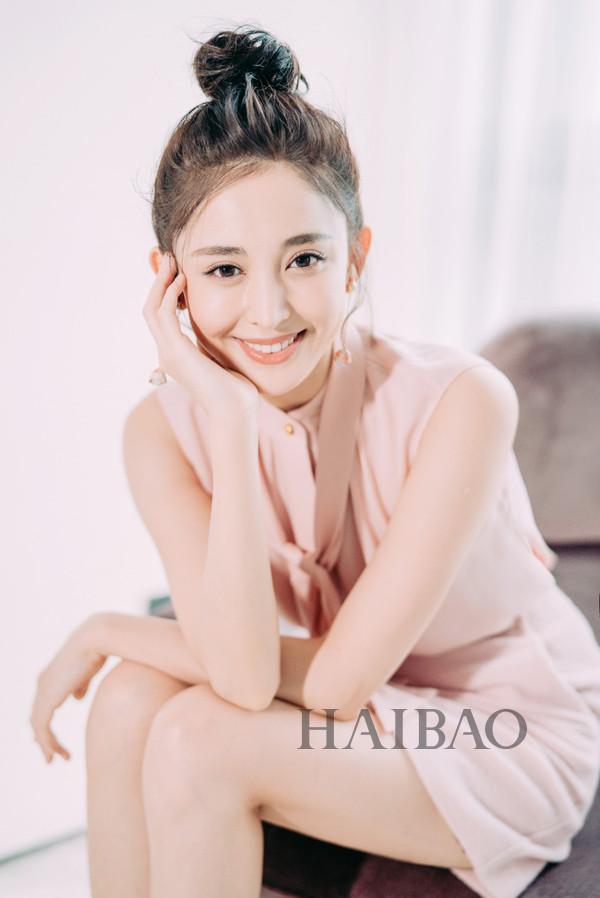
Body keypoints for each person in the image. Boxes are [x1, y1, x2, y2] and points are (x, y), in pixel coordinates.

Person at [29, 25, 600, 898]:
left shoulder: (462, 402)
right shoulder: (161, 431)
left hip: (502, 730)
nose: (267, 311)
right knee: (129, 698)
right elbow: (245, 671)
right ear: (170, 281)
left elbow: (328, 688)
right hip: (362, 720)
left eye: (304, 259)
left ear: (355, 259)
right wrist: (230, 423)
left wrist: (106, 629)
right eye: (224, 270)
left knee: (197, 740)